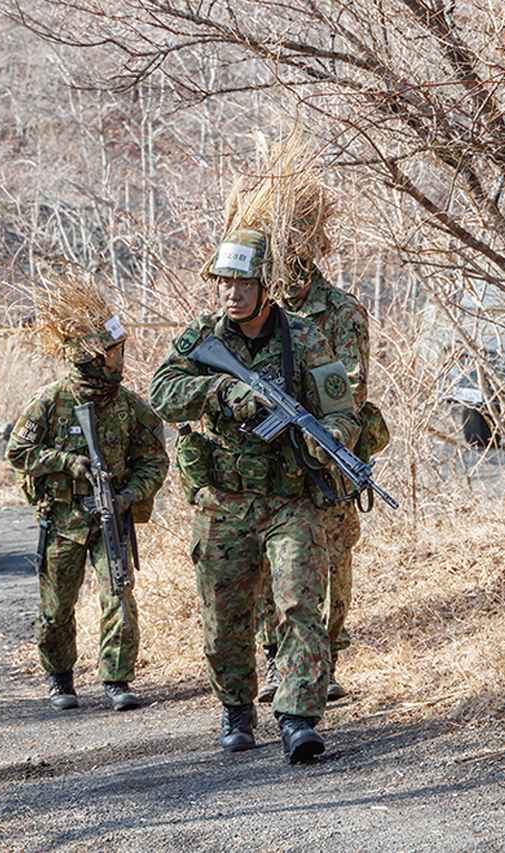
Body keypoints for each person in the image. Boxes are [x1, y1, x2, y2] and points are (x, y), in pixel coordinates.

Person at [150, 228, 360, 763]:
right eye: (224, 282)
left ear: (266, 286)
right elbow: (162, 395)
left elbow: (340, 404)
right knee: (225, 613)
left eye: (243, 283)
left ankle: (296, 716)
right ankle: (236, 710)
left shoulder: (306, 336)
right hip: (223, 500)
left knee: (299, 604)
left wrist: (334, 436)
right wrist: (222, 391)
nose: (232, 293)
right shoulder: (201, 337)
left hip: (290, 497)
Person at [7, 280, 169, 713]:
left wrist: (128, 495)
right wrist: (66, 462)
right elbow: (17, 451)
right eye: (114, 352)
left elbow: (155, 461)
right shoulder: (50, 402)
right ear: (95, 359)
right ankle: (59, 678)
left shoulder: (132, 407)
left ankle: (116, 678)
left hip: (110, 517)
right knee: (56, 607)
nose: (121, 359)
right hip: (63, 521)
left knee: (119, 595)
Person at [256, 261, 374, 703]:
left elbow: (352, 387)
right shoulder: (256, 309)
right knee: (272, 564)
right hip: (271, 464)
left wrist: (320, 423)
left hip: (325, 459)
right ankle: (276, 659)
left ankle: (325, 661)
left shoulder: (340, 310)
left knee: (332, 561)